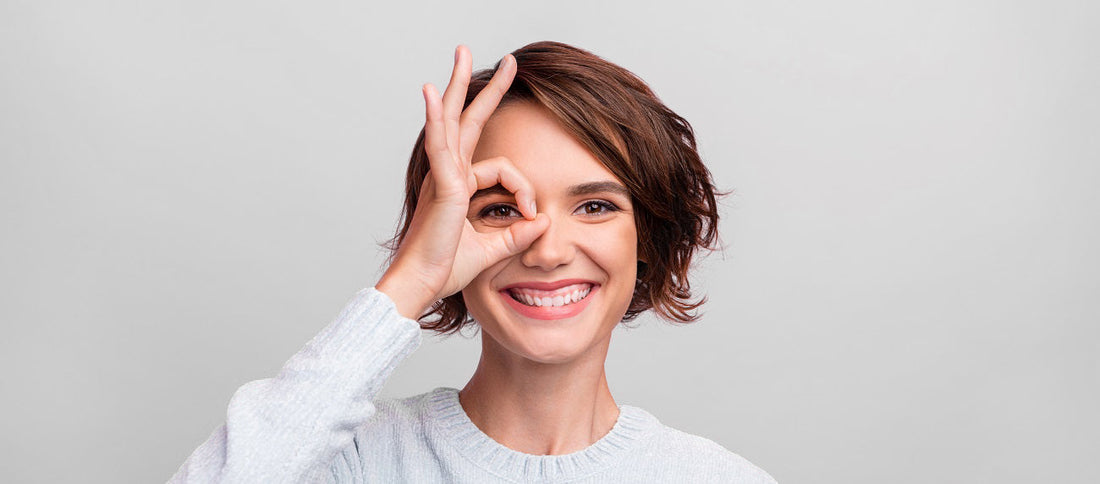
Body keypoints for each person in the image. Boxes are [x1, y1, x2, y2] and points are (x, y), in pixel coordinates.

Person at [169, 41, 777, 483]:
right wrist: (410, 282)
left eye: (594, 206)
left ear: (647, 237)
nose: (548, 250)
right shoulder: (352, 464)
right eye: (500, 211)